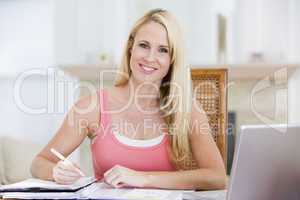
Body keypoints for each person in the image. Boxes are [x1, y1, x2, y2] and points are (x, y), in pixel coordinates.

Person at [31, 8, 226, 190]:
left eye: (163, 50)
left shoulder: (187, 110)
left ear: (172, 59)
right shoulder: (92, 107)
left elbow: (217, 177)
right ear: (130, 48)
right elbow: (39, 163)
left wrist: (143, 178)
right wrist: (55, 172)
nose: (150, 58)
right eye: (144, 45)